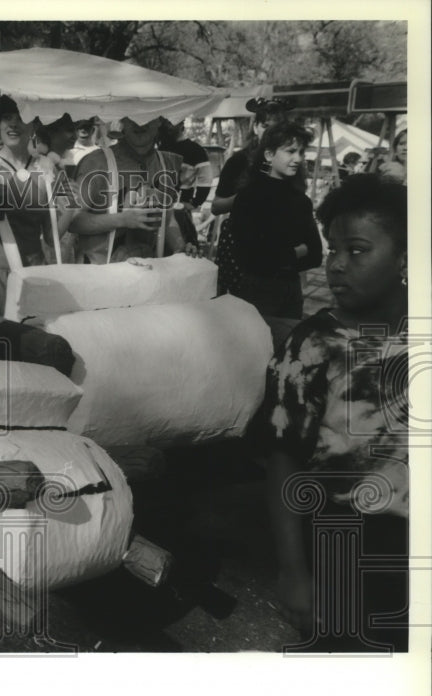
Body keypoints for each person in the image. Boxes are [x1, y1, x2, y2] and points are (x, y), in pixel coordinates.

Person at [262, 174, 408, 650]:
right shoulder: (312, 345)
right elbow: (284, 459)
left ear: (405, 256)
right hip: (341, 545)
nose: (337, 267)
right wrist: (293, 570)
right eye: (333, 251)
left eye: (358, 250)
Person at [0, 95, 78, 314]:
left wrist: (73, 205)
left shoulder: (46, 169)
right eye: (6, 118)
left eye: (21, 117)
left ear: (34, 124)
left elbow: (50, 235)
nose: (13, 124)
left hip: (35, 275)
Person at [226, 121, 322, 320]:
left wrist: (276, 254)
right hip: (257, 291)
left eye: (301, 152)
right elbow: (249, 257)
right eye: (290, 151)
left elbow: (315, 254)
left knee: (287, 346)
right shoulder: (249, 197)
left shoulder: (301, 200)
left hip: (292, 291)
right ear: (269, 154)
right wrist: (296, 251)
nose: (298, 159)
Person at [71, 116, 192, 264]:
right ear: (123, 120)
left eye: (148, 115)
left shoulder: (166, 163)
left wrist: (180, 246)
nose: (140, 122)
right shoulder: (96, 162)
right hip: (99, 276)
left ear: (160, 120)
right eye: (132, 116)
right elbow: (73, 220)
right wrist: (122, 219)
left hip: (145, 277)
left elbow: (167, 218)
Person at [158, 117, 213, 247]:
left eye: (171, 121)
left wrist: (194, 203)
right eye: (165, 123)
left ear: (182, 124)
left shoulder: (195, 150)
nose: (168, 126)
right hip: (158, 209)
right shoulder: (160, 148)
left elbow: (206, 180)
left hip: (179, 210)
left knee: (182, 247)